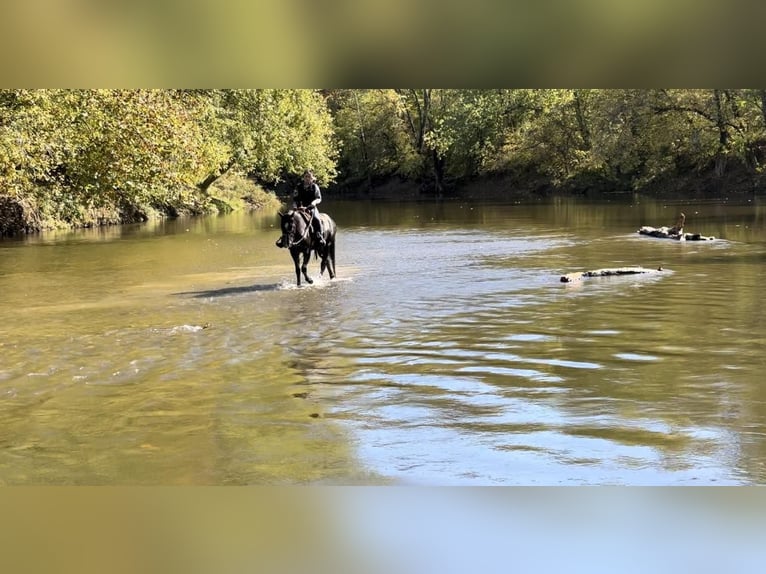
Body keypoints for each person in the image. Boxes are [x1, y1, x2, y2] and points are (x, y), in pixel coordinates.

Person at [292, 169, 325, 246]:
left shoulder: (315, 187)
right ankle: (288, 237)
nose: (307, 178)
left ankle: (319, 236)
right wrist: (294, 207)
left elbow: (319, 198)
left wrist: (314, 202)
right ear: (303, 177)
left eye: (309, 177)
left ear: (312, 178)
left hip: (311, 208)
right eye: (306, 176)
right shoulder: (298, 187)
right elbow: (295, 199)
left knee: (317, 219)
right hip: (299, 208)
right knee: (290, 219)